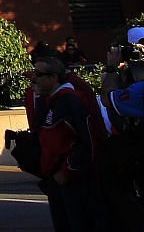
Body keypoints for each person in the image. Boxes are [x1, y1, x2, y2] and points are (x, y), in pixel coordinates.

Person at [29, 57, 96, 232]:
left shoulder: (69, 102)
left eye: (39, 74)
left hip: (73, 181)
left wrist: (67, 170)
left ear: (54, 77)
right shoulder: (48, 102)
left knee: (78, 224)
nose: (34, 79)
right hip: (54, 180)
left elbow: (87, 141)